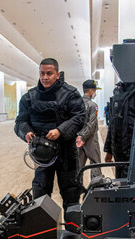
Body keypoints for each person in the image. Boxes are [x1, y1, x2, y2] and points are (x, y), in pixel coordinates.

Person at [14, 58, 85, 212]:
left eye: (49, 73)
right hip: (41, 154)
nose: (45, 77)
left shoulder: (70, 94)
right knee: (40, 194)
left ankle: (73, 231)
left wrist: (60, 130)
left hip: (66, 153)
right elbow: (20, 122)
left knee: (71, 193)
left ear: (57, 74)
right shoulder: (29, 97)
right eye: (42, 73)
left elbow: (79, 117)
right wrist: (25, 132)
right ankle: (44, 233)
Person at [104, 82, 135, 178]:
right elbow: (112, 124)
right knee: (120, 181)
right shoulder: (117, 93)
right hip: (118, 150)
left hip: (132, 151)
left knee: (130, 184)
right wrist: (109, 150)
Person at [75, 79, 102, 180]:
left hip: (77, 139)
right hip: (90, 139)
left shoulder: (76, 104)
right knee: (95, 164)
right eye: (94, 90)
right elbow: (91, 123)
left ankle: (78, 189)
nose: (95, 93)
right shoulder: (93, 106)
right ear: (91, 91)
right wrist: (84, 136)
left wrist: (80, 136)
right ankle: (95, 190)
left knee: (78, 166)